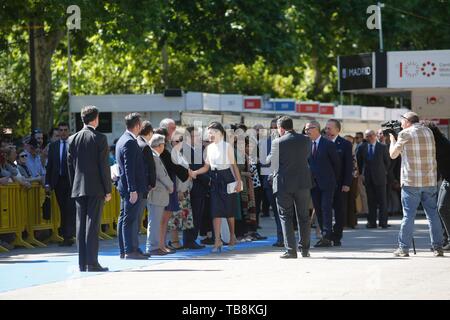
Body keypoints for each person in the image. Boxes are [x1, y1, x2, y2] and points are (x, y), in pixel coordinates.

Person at [389, 111, 444, 257]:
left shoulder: (405, 134)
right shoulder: (428, 132)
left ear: (407, 121)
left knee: (408, 216)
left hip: (411, 182)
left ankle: (403, 248)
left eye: (402, 120)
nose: (401, 123)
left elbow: (393, 154)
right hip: (429, 181)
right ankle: (438, 247)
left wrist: (392, 140)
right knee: (433, 215)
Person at [67, 105, 112, 272]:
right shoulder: (99, 138)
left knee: (81, 226)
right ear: (95, 119)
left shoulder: (72, 139)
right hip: (96, 188)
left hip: (78, 187)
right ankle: (92, 262)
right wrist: (108, 189)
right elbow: (103, 166)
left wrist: (74, 186)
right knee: (92, 225)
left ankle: (82, 263)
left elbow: (70, 166)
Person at [191, 122, 243, 253]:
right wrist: (196, 172)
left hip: (227, 178)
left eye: (211, 132)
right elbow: (206, 167)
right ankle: (217, 241)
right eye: (208, 132)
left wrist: (238, 181)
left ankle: (232, 237)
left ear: (219, 133)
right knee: (216, 212)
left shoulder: (227, 147)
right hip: (215, 179)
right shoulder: (209, 148)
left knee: (229, 211)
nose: (209, 134)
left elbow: (234, 166)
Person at [266, 116, 312, 258]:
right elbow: (307, 156)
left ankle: (291, 250)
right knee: (304, 217)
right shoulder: (306, 140)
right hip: (303, 183)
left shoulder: (277, 142)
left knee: (286, 216)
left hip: (284, 184)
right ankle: (305, 250)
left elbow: (269, 161)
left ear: (281, 128)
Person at [116, 113, 148, 260]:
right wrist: (133, 190)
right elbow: (129, 169)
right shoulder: (129, 141)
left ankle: (126, 249)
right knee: (130, 220)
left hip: (126, 187)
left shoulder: (123, 139)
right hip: (131, 188)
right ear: (136, 126)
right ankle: (130, 250)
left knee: (124, 218)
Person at [305, 120, 339, 247]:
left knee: (326, 209)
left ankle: (327, 236)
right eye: (305, 129)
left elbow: (336, 164)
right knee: (318, 210)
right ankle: (325, 235)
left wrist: (333, 179)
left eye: (309, 128)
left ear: (317, 129)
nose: (306, 131)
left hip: (327, 183)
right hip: (313, 183)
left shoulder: (328, 144)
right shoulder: (307, 144)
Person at [45, 122, 76, 246]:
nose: (63, 132)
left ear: (68, 131)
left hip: (71, 182)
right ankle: (65, 236)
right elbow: (50, 166)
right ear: (58, 132)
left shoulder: (73, 145)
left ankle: (69, 236)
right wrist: (48, 183)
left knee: (70, 208)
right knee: (63, 209)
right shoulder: (53, 146)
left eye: (65, 130)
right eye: (61, 130)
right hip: (58, 182)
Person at [422, 121, 450, 251]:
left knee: (442, 208)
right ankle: (445, 240)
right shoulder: (439, 142)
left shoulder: (440, 145)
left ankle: (447, 240)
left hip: (448, 180)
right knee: (441, 209)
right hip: (446, 180)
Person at [325, 119, 352, 246]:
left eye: (329, 128)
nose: (327, 130)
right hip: (324, 184)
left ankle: (337, 236)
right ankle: (327, 235)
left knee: (339, 211)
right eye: (326, 128)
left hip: (340, 184)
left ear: (337, 130)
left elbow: (348, 165)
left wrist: (347, 183)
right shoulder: (322, 142)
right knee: (325, 210)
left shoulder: (345, 144)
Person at [146, 134, 174, 255]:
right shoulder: (154, 157)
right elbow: (161, 175)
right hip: (157, 194)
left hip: (158, 194)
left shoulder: (153, 156)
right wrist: (171, 185)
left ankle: (155, 246)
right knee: (155, 221)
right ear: (160, 145)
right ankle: (153, 247)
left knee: (156, 221)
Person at [357, 130, 390, 229]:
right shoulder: (362, 147)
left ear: (375, 136)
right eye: (367, 136)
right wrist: (361, 174)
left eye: (371, 135)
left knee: (382, 201)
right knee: (371, 201)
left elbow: (387, 162)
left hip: (380, 178)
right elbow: (359, 162)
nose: (369, 137)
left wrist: (383, 172)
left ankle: (383, 222)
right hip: (368, 178)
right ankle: (371, 222)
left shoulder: (382, 147)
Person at [182, 127, 208, 249]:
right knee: (192, 214)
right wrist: (207, 180)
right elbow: (192, 168)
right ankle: (189, 240)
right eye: (194, 136)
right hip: (193, 187)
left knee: (198, 214)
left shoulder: (200, 149)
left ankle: (193, 239)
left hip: (201, 187)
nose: (197, 138)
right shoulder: (185, 150)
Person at [135, 120, 156, 256]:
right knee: (137, 218)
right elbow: (150, 168)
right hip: (142, 186)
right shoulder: (145, 146)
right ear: (149, 132)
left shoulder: (134, 142)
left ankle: (128, 247)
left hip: (133, 185)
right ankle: (134, 247)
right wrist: (152, 183)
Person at [343, 135, 358, 228]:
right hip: (344, 179)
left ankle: (352, 222)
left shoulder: (353, 151)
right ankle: (344, 222)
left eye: (351, 142)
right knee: (343, 201)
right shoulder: (341, 151)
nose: (349, 144)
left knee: (352, 201)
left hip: (354, 179)